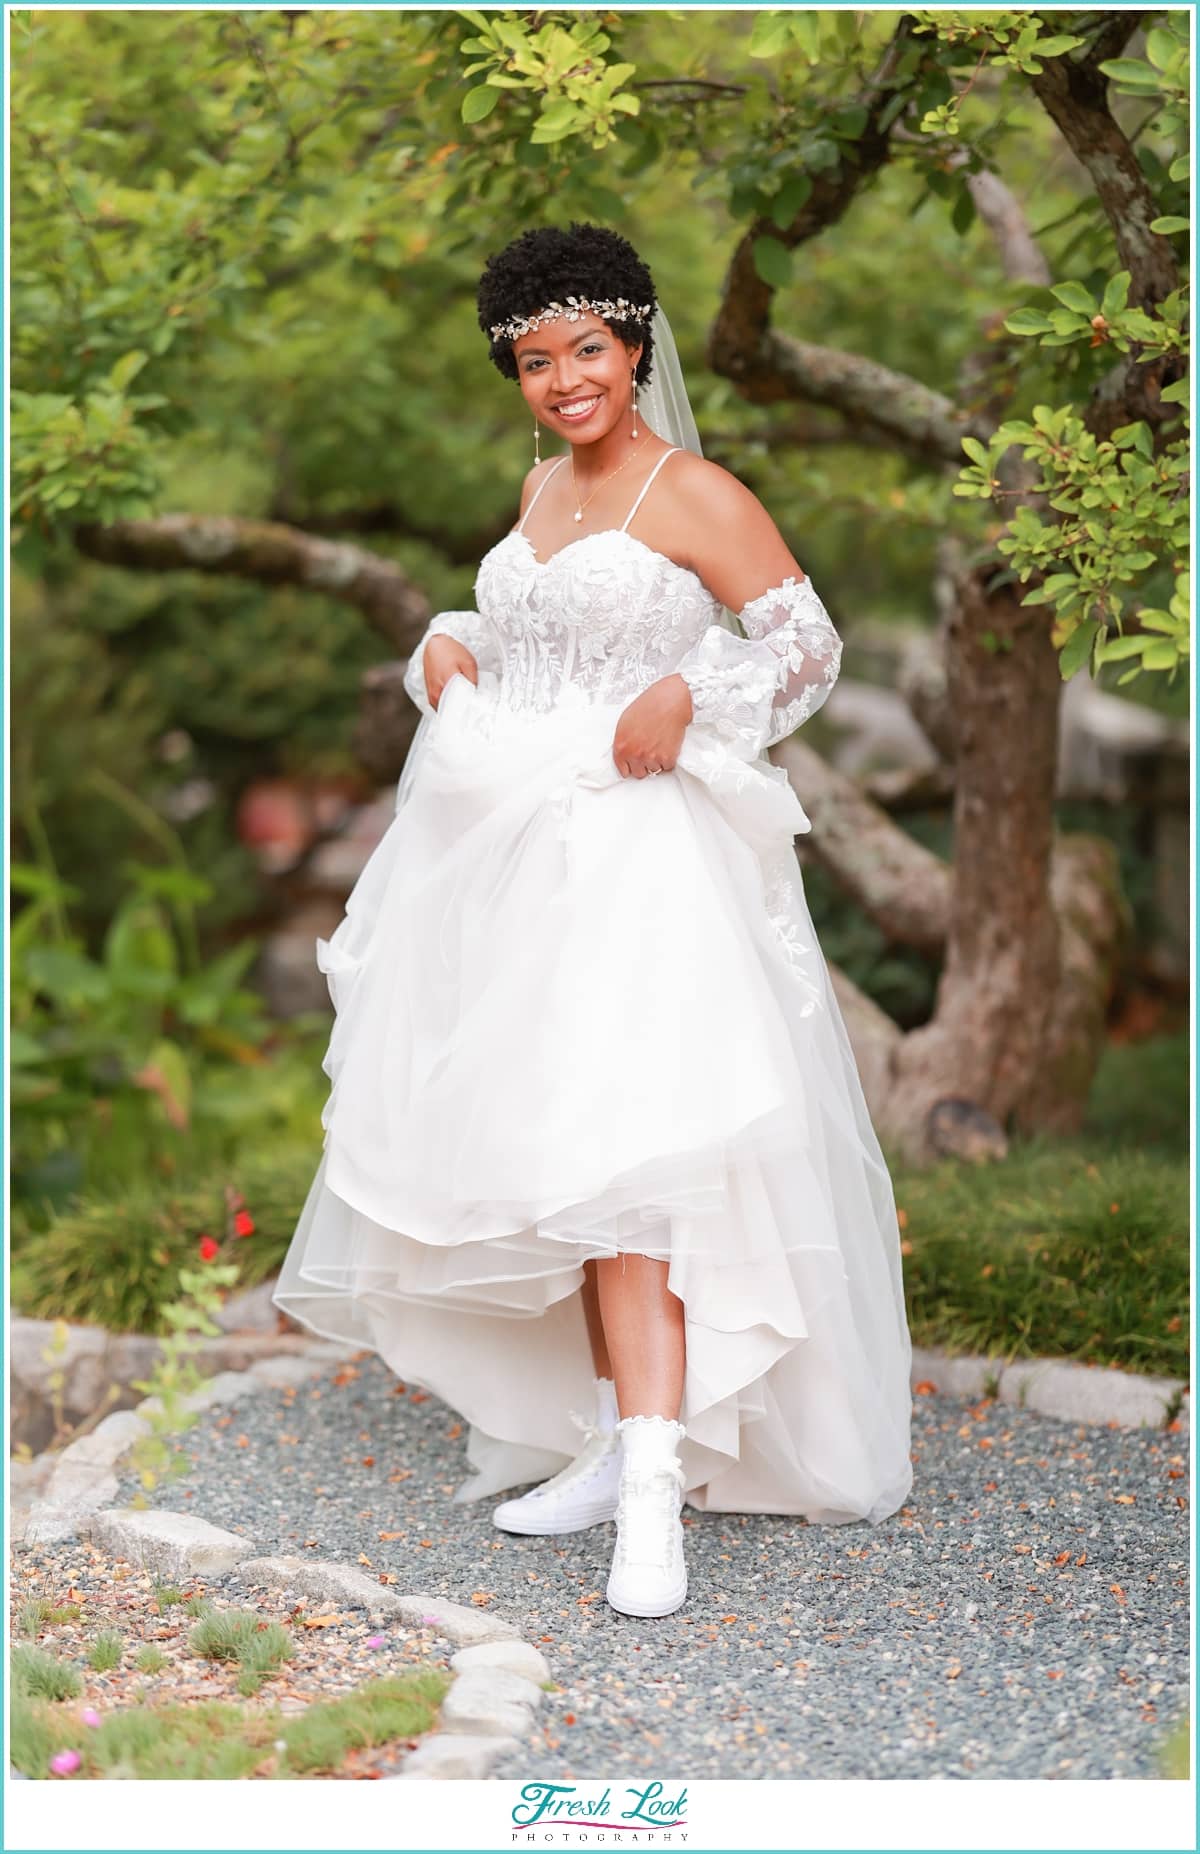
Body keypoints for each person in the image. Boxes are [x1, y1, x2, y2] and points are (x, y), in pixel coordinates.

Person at [273, 222, 914, 1621]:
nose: (564, 379)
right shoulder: (540, 489)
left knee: (634, 1172)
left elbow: (806, 646)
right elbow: (538, 634)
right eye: (535, 359)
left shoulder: (694, 493)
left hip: (643, 863)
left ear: (635, 348)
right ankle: (608, 1440)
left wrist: (697, 696)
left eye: (587, 351)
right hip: (523, 865)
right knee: (561, 1154)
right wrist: (453, 638)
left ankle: (650, 1498)